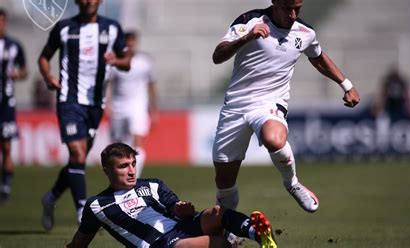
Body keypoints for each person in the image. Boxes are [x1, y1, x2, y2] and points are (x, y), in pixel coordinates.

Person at [211, 0, 360, 213]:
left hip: (270, 101)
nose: (292, 14)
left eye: (297, 8)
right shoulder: (250, 20)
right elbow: (218, 56)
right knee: (224, 184)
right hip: (236, 105)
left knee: (274, 138)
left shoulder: (305, 32)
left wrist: (347, 85)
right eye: (287, 8)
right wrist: (247, 37)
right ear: (275, 2)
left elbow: (317, 57)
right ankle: (228, 232)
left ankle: (292, 183)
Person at [66, 143, 277, 248]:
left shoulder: (152, 185)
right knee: (218, 243)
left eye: (133, 164)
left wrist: (181, 209)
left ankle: (261, 237)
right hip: (161, 245)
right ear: (106, 170)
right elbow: (80, 241)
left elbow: (174, 206)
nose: (131, 171)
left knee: (217, 212)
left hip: (182, 227)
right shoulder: (97, 205)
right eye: (123, 166)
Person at [37, 0, 131, 231]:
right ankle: (82, 210)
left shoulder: (112, 28)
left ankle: (51, 197)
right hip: (69, 100)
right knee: (77, 154)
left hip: (95, 104)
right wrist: (48, 77)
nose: (89, 1)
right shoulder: (64, 28)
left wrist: (116, 60)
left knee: (77, 161)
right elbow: (44, 57)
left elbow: (127, 62)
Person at [107, 31, 158, 178]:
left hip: (138, 106)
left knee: (137, 140)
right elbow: (109, 83)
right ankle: (119, 177)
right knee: (117, 146)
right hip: (118, 106)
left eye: (132, 41)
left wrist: (154, 109)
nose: (130, 44)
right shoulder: (115, 62)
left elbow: (151, 85)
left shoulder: (144, 61)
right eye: (127, 41)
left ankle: (134, 177)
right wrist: (107, 104)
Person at [0, 8, 28, 202]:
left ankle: (6, 184)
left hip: (6, 104)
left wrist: (19, 74)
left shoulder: (14, 46)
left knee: (7, 146)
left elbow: (25, 70)